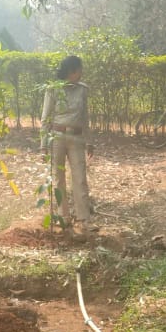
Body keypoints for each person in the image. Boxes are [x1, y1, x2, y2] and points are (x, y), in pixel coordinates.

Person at [41, 55, 94, 232]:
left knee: (80, 179)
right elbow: (45, 118)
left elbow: (85, 117)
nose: (81, 73)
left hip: (77, 139)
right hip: (57, 138)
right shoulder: (53, 89)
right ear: (71, 71)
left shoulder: (83, 90)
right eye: (79, 69)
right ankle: (62, 216)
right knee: (59, 179)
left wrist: (89, 141)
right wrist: (43, 145)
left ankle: (83, 219)